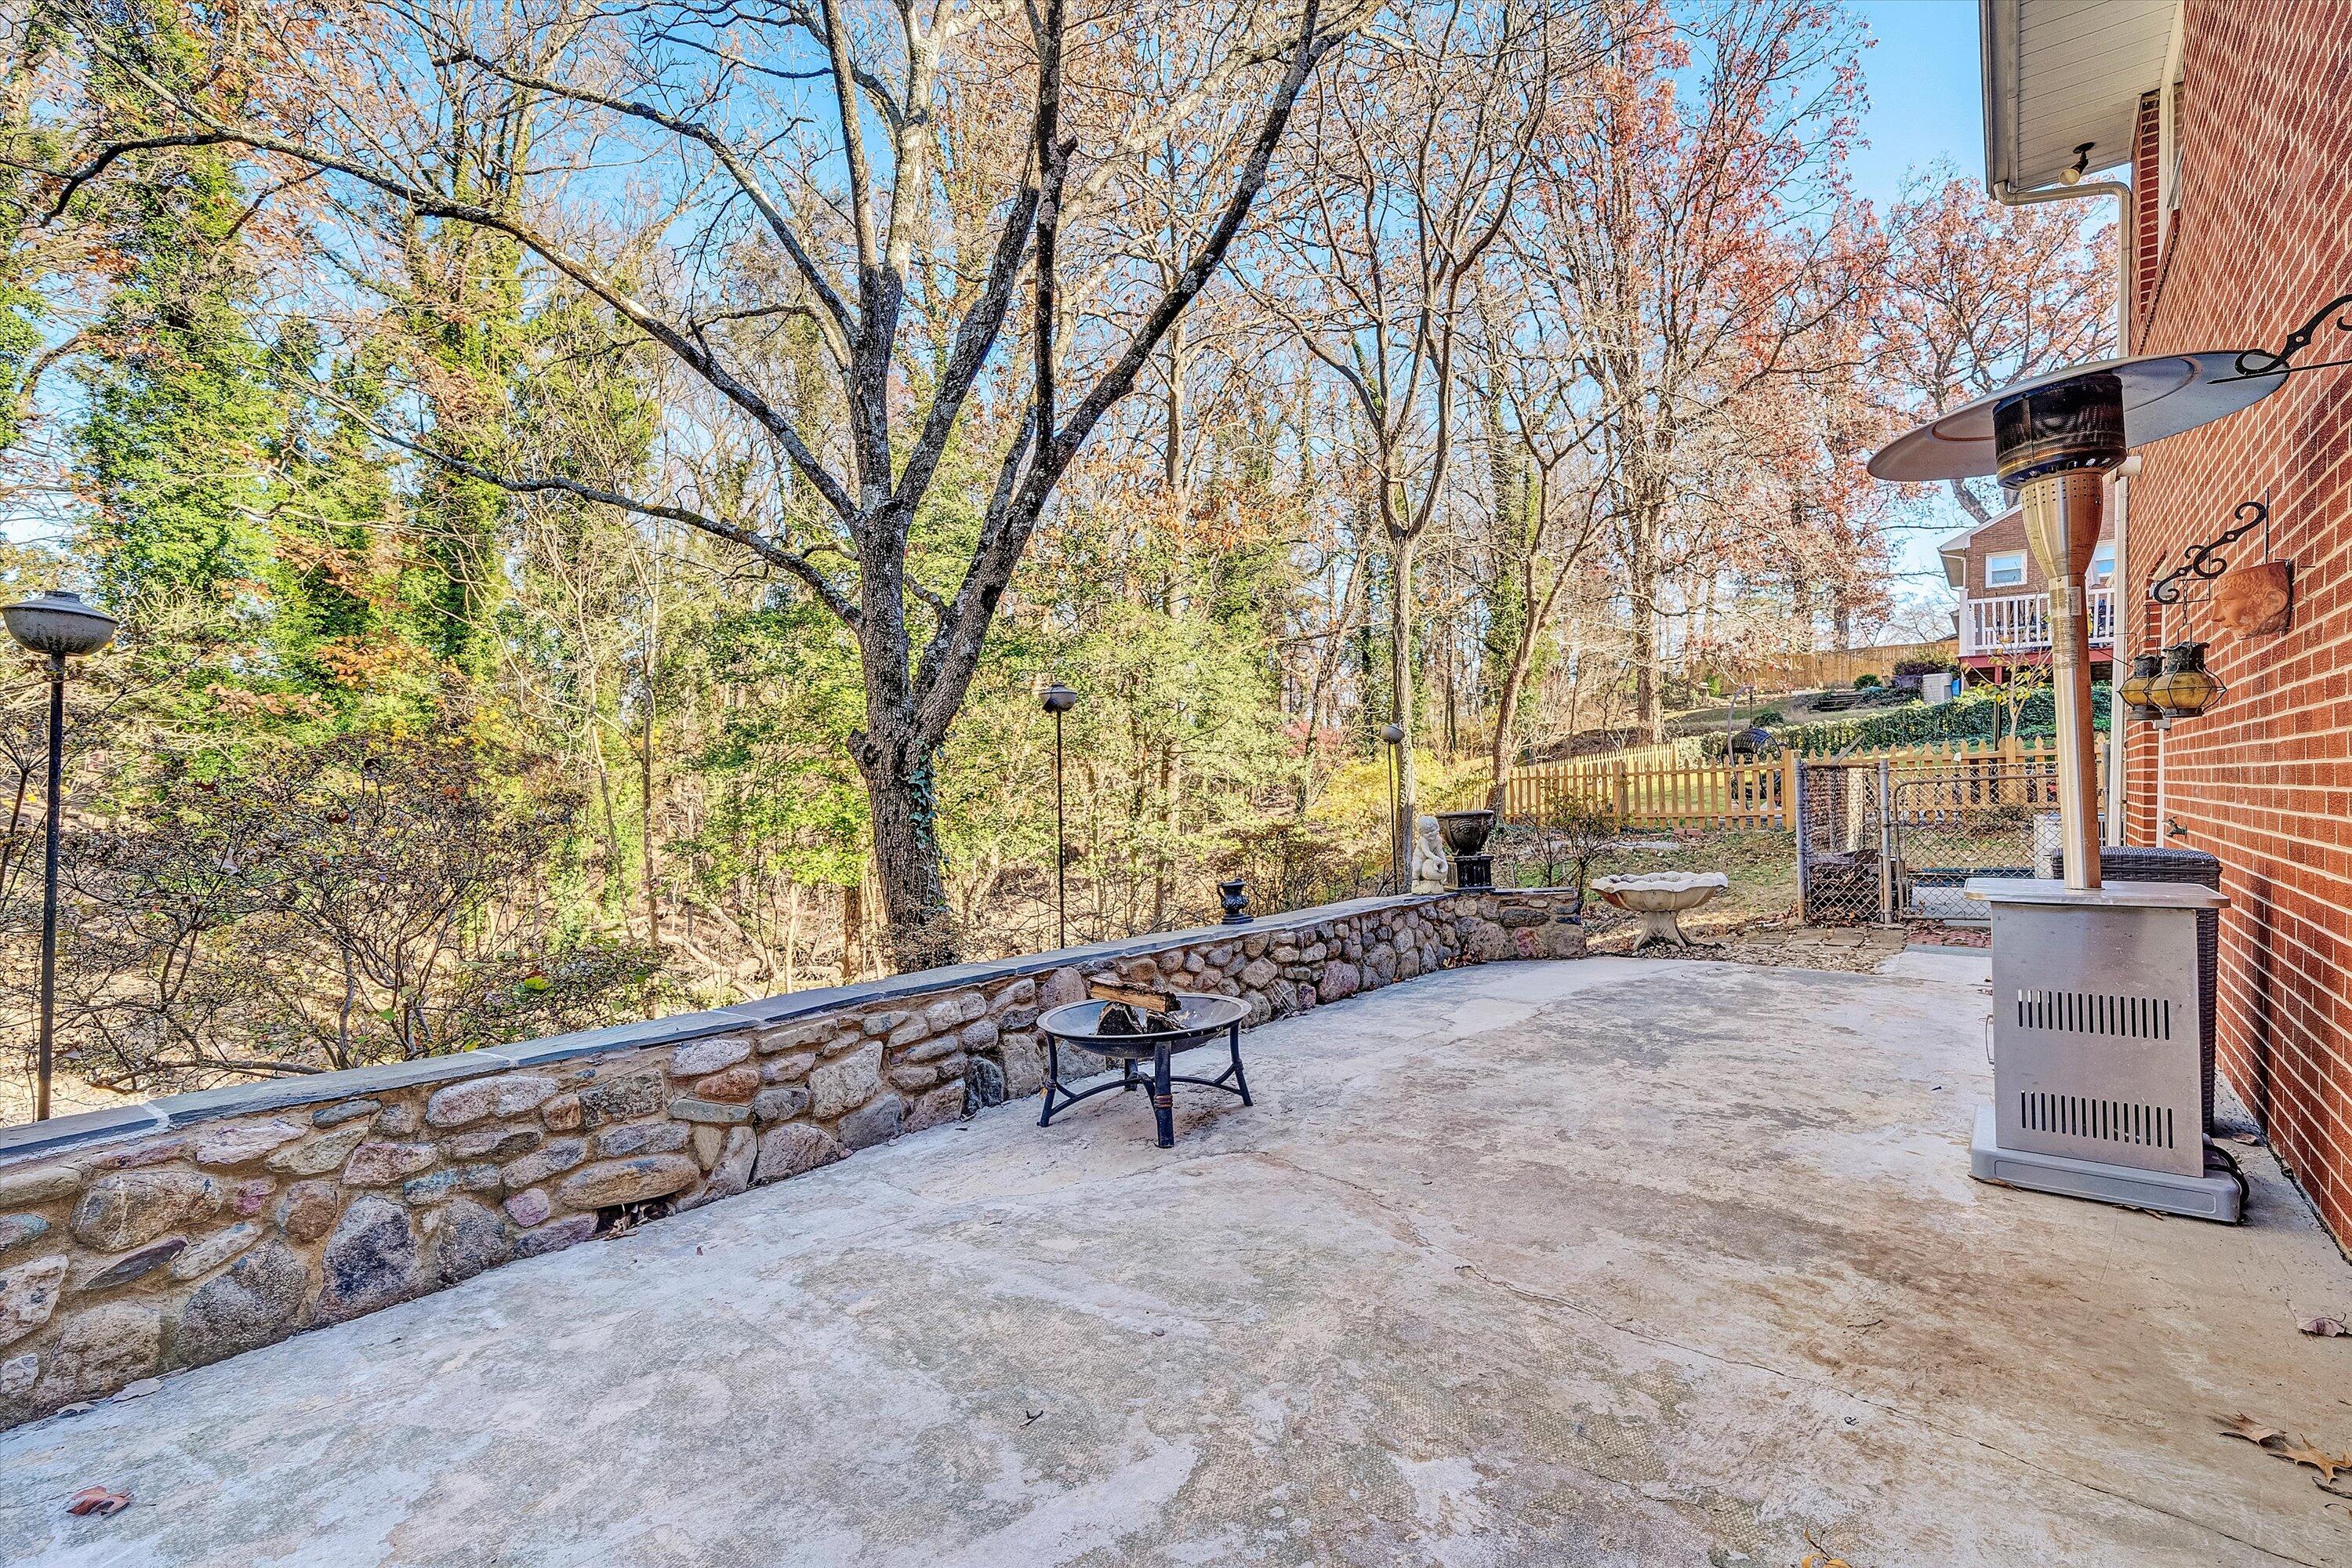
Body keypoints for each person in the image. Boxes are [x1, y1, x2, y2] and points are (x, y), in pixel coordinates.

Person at [1410, 815, 1450, 893]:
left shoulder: (1438, 839)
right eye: (1427, 832)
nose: (1430, 833)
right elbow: (1426, 851)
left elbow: (1440, 851)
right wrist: (1434, 858)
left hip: (1430, 858)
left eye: (1432, 830)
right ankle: (1415, 879)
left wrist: (1443, 861)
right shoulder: (1423, 840)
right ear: (1422, 833)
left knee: (1438, 869)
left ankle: (1440, 879)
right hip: (1420, 857)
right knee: (1417, 868)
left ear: (1437, 828)